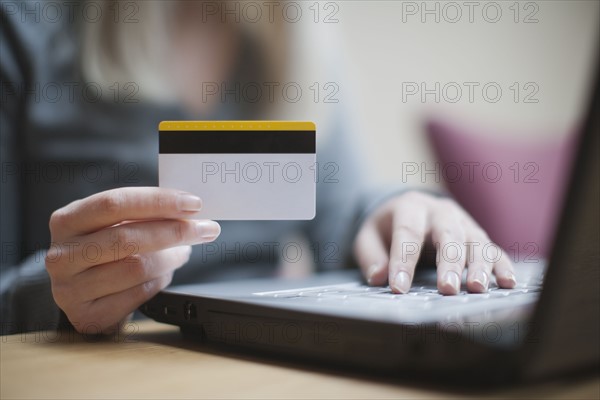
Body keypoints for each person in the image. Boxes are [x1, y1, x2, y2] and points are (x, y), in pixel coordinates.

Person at [0, 1, 516, 335]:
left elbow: (344, 225)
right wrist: (55, 294)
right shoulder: (25, 26)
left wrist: (394, 212)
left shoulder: (303, 45)